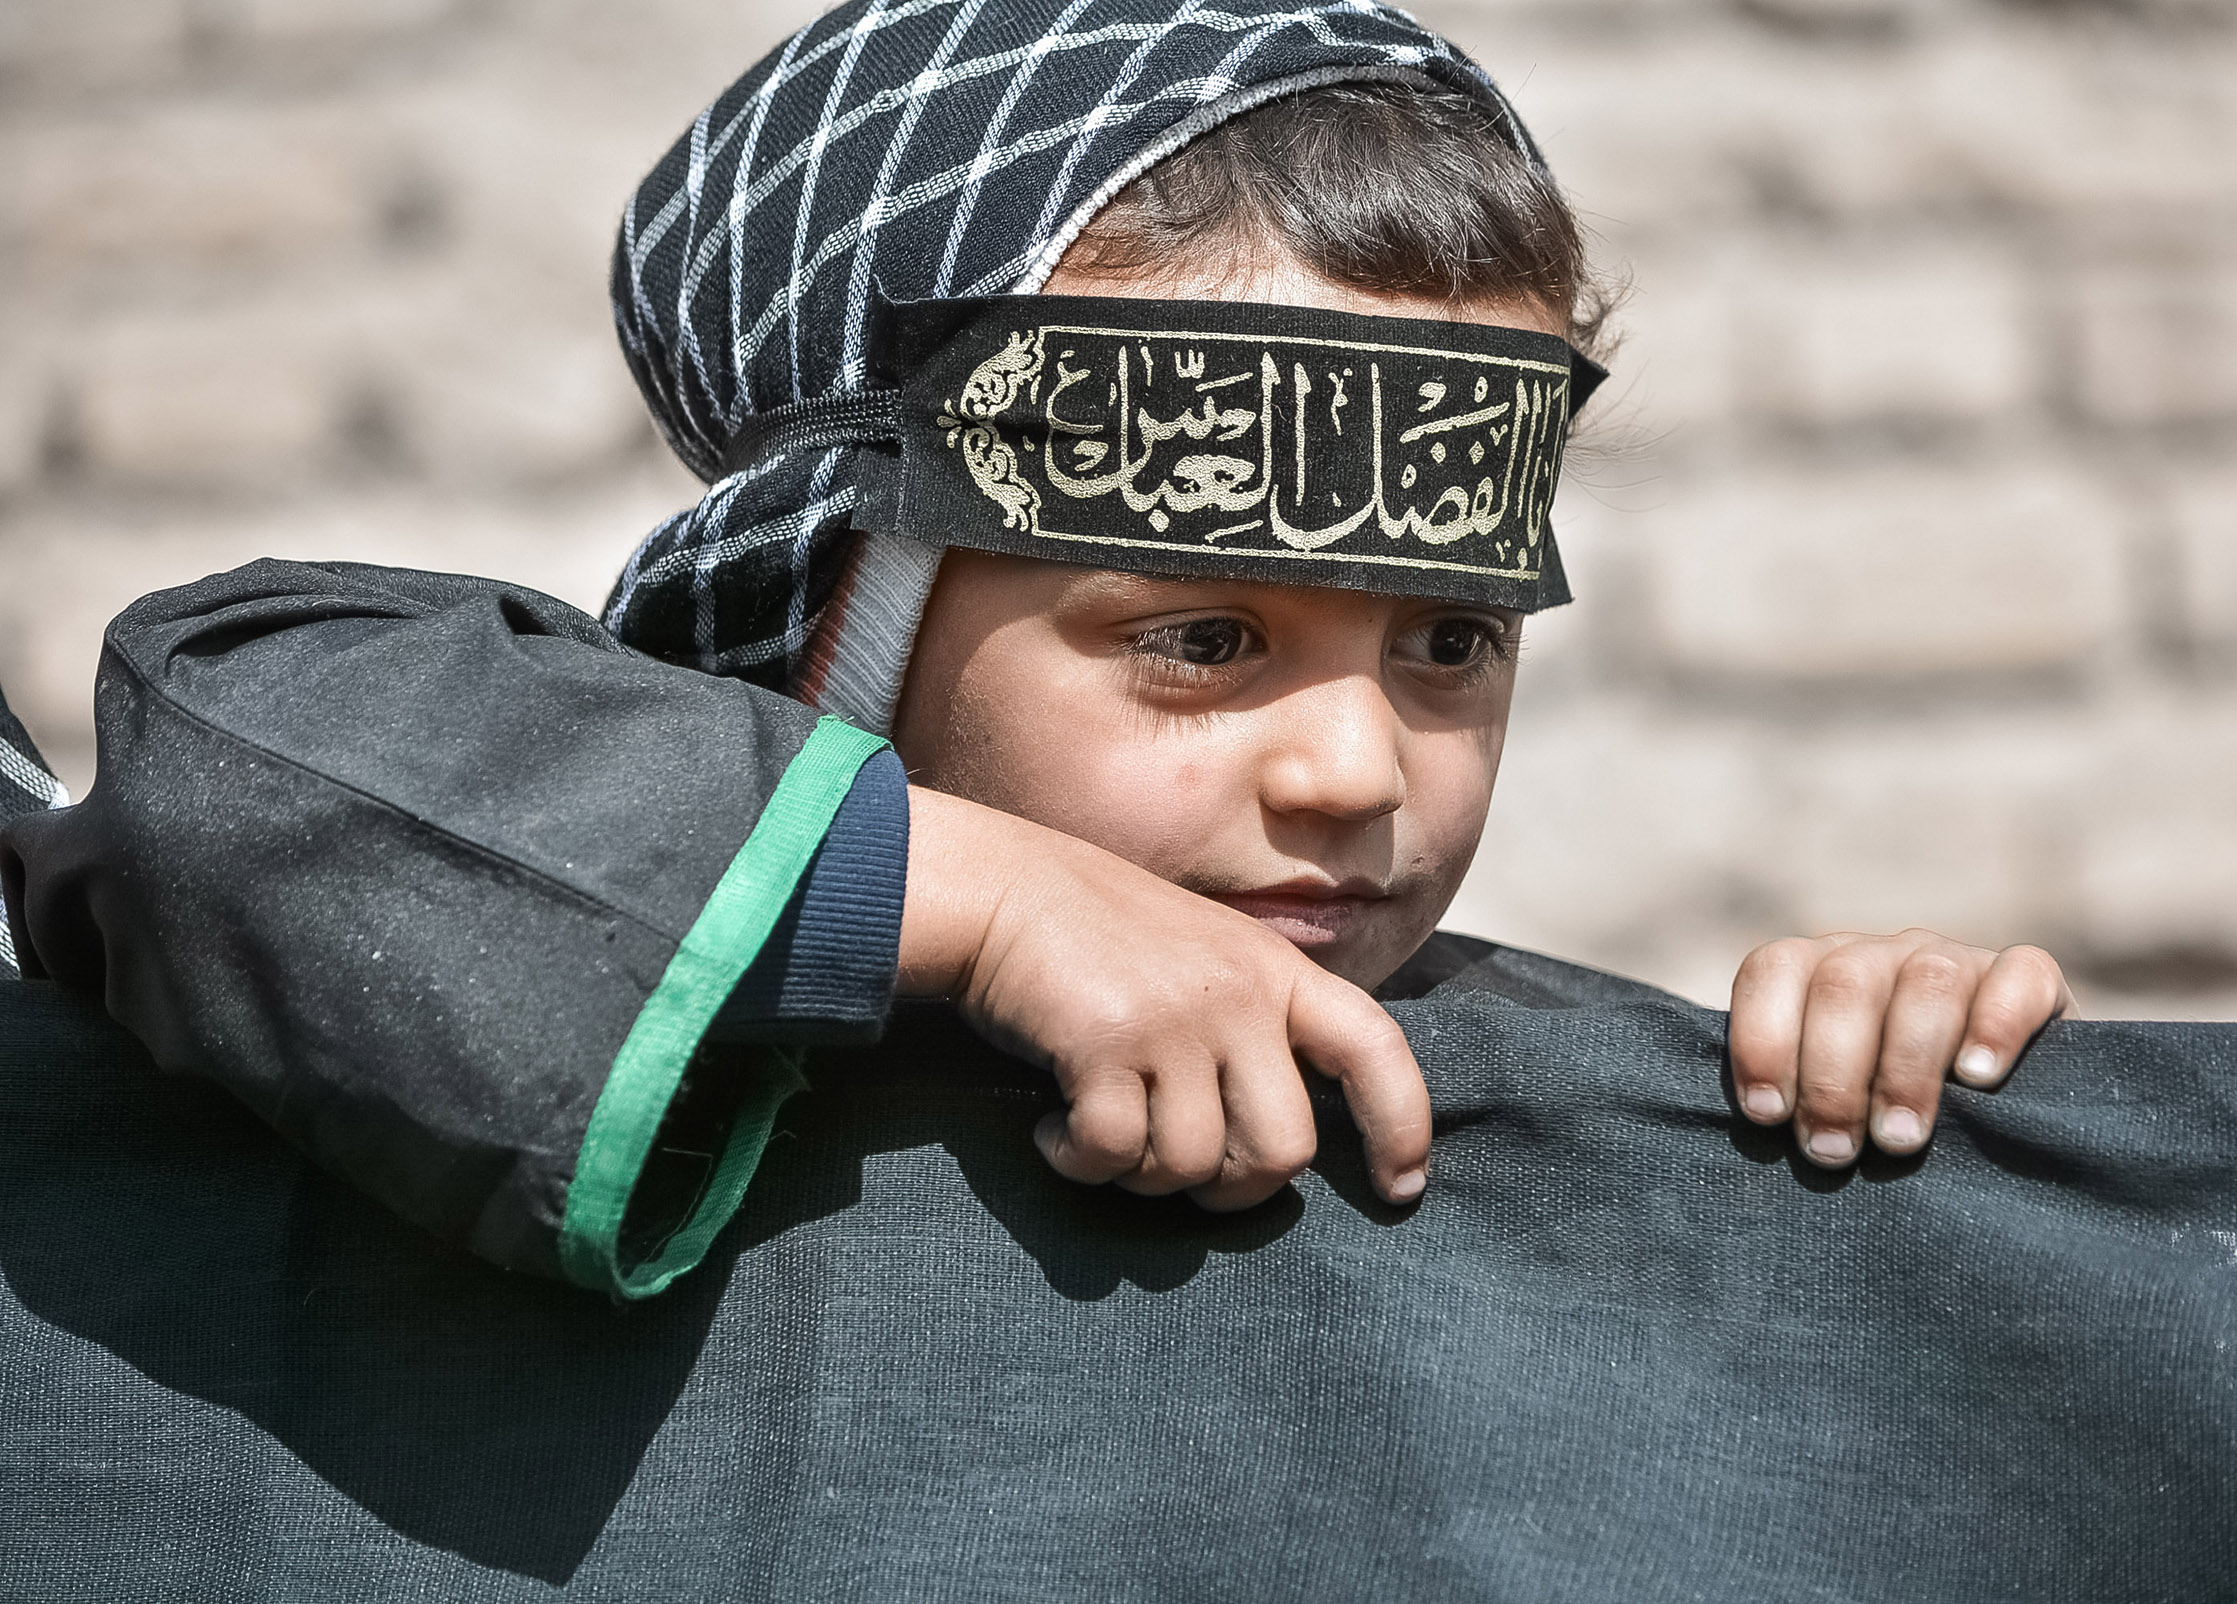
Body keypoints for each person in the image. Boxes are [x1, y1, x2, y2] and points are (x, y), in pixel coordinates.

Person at [0, 0, 2073, 1300]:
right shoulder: (554, 867)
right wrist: (986, 904)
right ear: (842, 614)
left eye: (1449, 638)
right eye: (1202, 635)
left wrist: (1854, 1068)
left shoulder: (1438, 1057)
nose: (1359, 769)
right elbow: (225, 760)